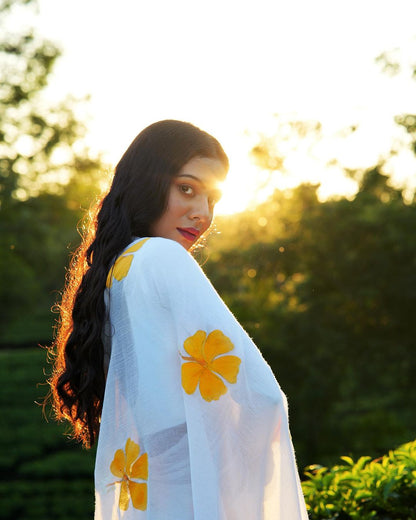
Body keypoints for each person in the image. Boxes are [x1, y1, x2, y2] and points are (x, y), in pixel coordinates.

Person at [47, 120, 308, 519]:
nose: (202, 214)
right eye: (187, 189)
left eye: (213, 200)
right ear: (145, 184)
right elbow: (263, 398)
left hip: (150, 496)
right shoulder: (163, 258)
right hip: (188, 493)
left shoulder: (116, 270)